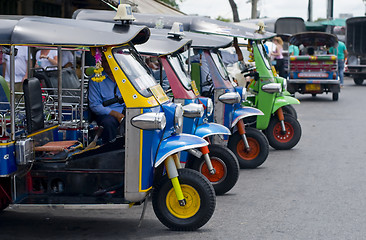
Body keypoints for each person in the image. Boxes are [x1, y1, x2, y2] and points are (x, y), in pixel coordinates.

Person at [88, 48, 125, 144]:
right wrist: (115, 114)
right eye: (105, 61)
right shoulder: (95, 80)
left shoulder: (125, 77)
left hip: (127, 111)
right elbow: (95, 105)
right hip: (107, 115)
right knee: (108, 124)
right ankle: (110, 150)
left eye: (110, 60)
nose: (108, 64)